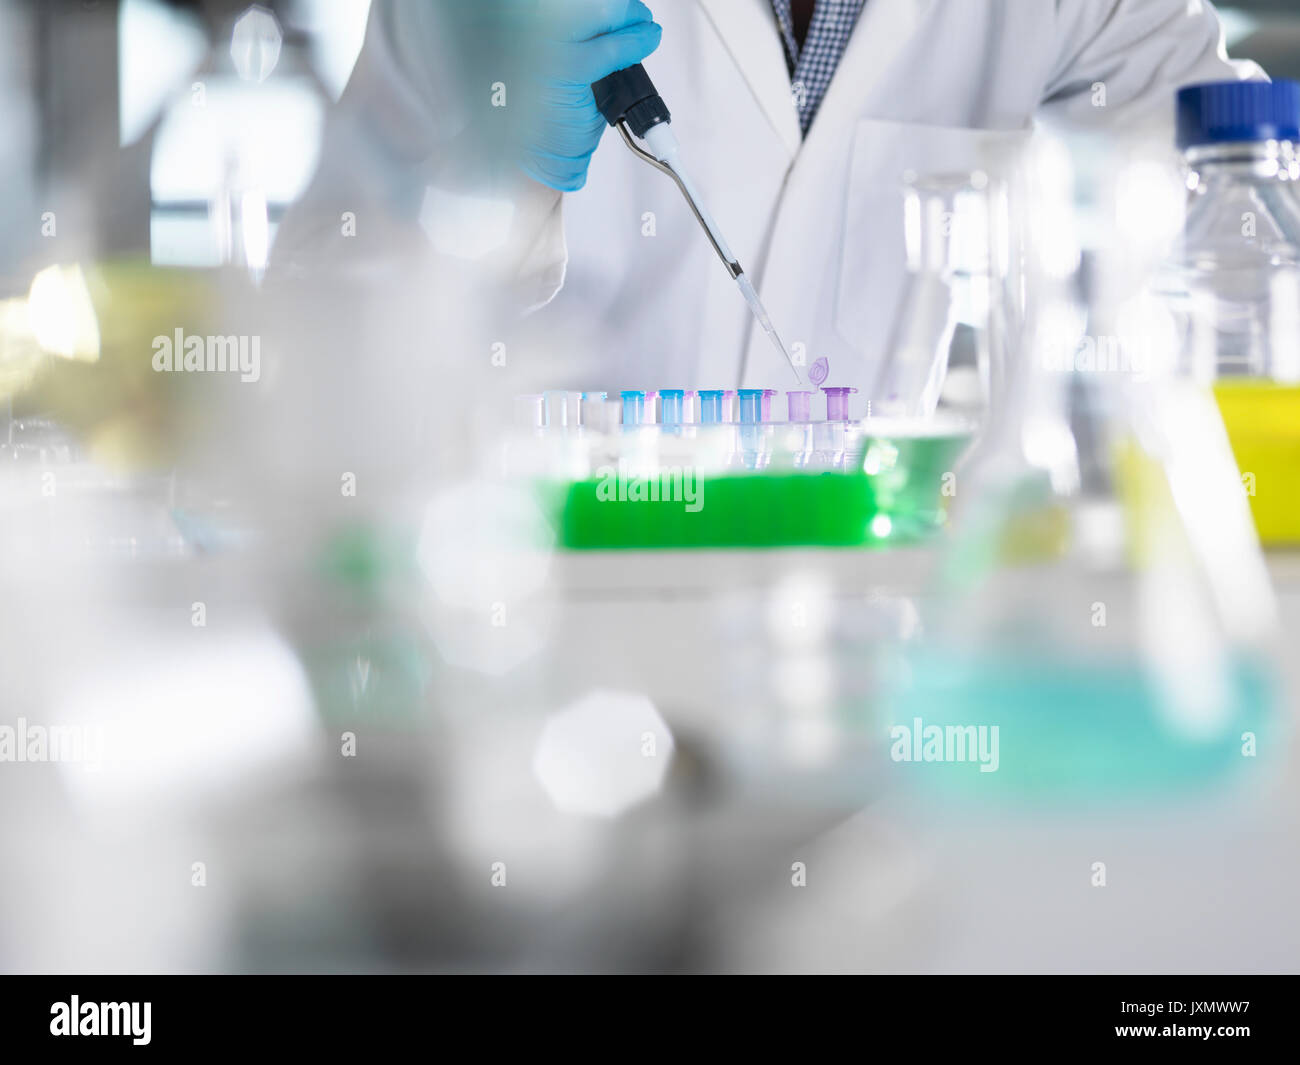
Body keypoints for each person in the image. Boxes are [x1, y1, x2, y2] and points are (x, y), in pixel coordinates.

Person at [278, 0, 1262, 402]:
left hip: (909, 641)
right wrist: (494, 175)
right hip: (552, 634)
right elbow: (308, 376)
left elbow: (1246, 244)